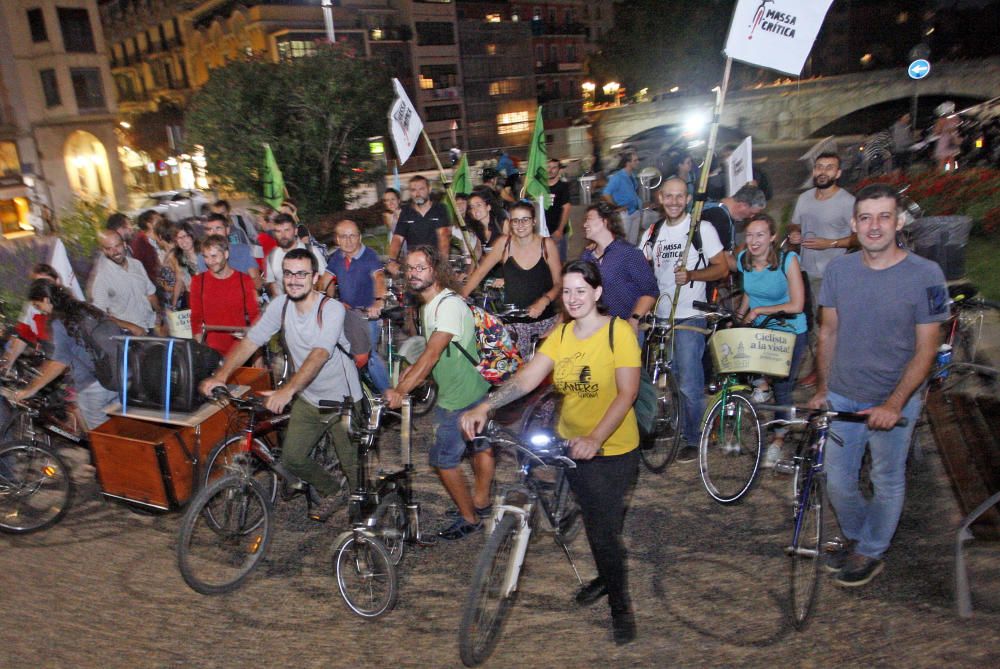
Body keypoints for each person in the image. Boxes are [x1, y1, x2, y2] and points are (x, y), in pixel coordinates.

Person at [461, 259, 641, 645]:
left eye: (581, 290)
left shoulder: (618, 332)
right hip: (571, 443)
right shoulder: (561, 335)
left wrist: (595, 437)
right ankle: (607, 574)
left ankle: (620, 606)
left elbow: (627, 393)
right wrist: (486, 406)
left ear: (597, 293)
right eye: (567, 291)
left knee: (603, 533)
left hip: (614, 449)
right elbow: (527, 377)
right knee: (596, 520)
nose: (573, 298)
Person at [808, 184, 948, 587]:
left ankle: (870, 550)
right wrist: (822, 387)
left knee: (887, 477)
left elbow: (927, 348)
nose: (874, 226)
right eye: (866, 218)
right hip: (843, 393)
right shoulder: (839, 270)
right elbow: (828, 333)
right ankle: (860, 537)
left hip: (895, 397)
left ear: (899, 222)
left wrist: (895, 403)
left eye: (884, 216)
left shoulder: (926, 274)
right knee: (838, 480)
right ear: (854, 224)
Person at [200, 248, 362, 523]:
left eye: (302, 274)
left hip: (342, 400)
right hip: (310, 398)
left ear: (314, 278)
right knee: (292, 458)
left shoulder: (330, 308)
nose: (294, 279)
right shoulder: (281, 305)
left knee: (355, 468)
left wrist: (287, 390)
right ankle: (334, 491)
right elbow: (252, 340)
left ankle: (366, 517)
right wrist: (221, 376)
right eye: (288, 273)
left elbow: (320, 353)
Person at [383, 245, 493, 541]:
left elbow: (432, 354)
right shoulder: (428, 306)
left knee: (443, 460)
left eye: (421, 267)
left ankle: (470, 518)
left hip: (459, 398)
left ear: (436, 269)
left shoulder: (447, 305)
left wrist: (400, 390)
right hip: (473, 388)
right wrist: (413, 374)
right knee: (480, 445)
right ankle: (480, 503)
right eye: (410, 268)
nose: (414, 273)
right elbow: (436, 356)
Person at [638, 178, 728, 463]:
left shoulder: (701, 229)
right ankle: (673, 426)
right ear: (660, 198)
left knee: (689, 382)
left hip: (690, 316)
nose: (674, 201)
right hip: (661, 317)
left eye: (680, 196)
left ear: (688, 198)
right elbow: (640, 269)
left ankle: (695, 437)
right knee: (667, 378)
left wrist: (692, 276)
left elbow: (722, 268)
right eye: (669, 196)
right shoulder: (653, 232)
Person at [731, 213, 807, 468]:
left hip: (789, 329)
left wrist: (761, 311)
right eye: (750, 235)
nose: (754, 241)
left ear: (773, 237)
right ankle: (760, 385)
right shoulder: (744, 261)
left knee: (782, 388)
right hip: (760, 329)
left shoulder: (788, 261)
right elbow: (749, 296)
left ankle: (778, 441)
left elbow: (797, 304)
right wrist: (738, 320)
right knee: (734, 353)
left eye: (760, 235)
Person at [13, 281, 121, 431]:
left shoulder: (59, 321)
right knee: (118, 432)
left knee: (104, 442)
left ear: (46, 299)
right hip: (114, 377)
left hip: (92, 387)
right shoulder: (85, 308)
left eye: (38, 306)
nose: (40, 311)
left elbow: (59, 362)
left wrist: (31, 389)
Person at [460, 202, 561, 356]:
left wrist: (544, 300)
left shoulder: (546, 245)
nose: (520, 225)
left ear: (534, 221)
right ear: (510, 223)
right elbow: (480, 272)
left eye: (525, 220)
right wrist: (460, 297)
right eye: (515, 220)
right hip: (515, 324)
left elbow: (559, 283)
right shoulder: (504, 244)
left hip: (545, 322)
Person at [791, 152, 855, 387]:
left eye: (829, 167)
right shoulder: (805, 198)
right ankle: (816, 366)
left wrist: (830, 243)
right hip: (804, 270)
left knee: (824, 324)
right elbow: (795, 223)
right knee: (807, 321)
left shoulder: (847, 202)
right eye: (819, 167)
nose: (823, 171)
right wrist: (794, 234)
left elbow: (859, 238)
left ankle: (822, 372)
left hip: (831, 272)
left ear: (838, 173)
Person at [318, 219, 391, 392]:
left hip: (367, 315)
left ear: (359, 237)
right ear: (337, 239)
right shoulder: (337, 257)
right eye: (343, 236)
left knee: (369, 355)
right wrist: (317, 298)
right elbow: (324, 281)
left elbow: (379, 278)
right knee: (341, 354)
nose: (348, 241)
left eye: (352, 236)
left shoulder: (369, 256)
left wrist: (378, 301)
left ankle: (389, 395)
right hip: (347, 315)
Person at [579, 202, 658, 332]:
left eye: (589, 219)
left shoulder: (628, 253)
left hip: (626, 327)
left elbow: (650, 291)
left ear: (605, 221)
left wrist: (634, 319)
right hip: (597, 329)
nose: (585, 224)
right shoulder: (587, 256)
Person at [190, 235, 260, 356]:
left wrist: (258, 355)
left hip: (240, 350)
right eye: (206, 257)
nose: (210, 262)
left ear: (226, 254)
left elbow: (255, 317)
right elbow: (196, 318)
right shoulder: (198, 282)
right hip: (211, 351)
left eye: (214, 256)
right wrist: (199, 349)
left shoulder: (244, 280)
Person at [89, 230, 159, 335]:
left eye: (117, 246)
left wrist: (160, 316)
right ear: (104, 250)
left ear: (125, 244)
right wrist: (131, 327)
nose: (114, 251)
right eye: (109, 248)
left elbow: (150, 293)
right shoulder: (102, 277)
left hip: (151, 325)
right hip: (129, 335)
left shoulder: (137, 265)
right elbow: (100, 313)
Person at [0, 264, 61, 373]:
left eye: (46, 283)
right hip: (47, 361)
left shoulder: (69, 307)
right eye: (38, 284)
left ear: (57, 282)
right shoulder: (32, 307)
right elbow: (24, 336)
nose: (42, 288)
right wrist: (7, 364)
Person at [386, 175, 451, 276]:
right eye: (413, 190)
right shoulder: (406, 212)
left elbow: (443, 237)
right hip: (413, 265)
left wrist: (441, 263)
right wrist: (391, 260)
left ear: (429, 189)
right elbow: (397, 238)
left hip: (434, 264)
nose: (417, 193)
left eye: (421, 189)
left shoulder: (440, 209)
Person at [265, 214, 325, 298]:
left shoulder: (311, 251)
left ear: (295, 231)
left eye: (287, 230)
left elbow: (325, 278)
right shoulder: (272, 256)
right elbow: (273, 284)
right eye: (278, 231)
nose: (283, 235)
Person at [197, 213, 263, 290]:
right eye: (210, 229)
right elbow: (206, 286)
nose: (214, 233)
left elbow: (256, 281)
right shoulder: (203, 256)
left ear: (227, 230)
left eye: (218, 228)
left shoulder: (243, 250)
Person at [601, 151, 643, 244]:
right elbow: (606, 193)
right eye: (635, 161)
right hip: (625, 213)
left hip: (634, 211)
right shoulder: (618, 177)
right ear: (628, 163)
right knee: (624, 242)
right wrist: (616, 207)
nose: (637, 162)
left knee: (633, 242)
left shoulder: (631, 175)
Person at [545, 158, 573, 261]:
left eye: (554, 167)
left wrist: (560, 230)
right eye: (548, 167)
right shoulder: (541, 188)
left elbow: (566, 208)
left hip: (557, 232)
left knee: (559, 261)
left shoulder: (563, 187)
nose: (550, 170)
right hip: (544, 233)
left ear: (559, 170)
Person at [131, 210, 162, 283]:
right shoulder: (139, 243)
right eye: (158, 219)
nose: (162, 220)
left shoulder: (160, 236)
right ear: (149, 224)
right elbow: (139, 267)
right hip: (155, 283)